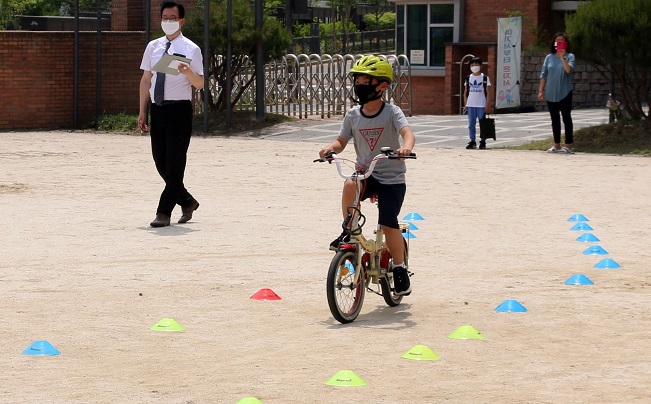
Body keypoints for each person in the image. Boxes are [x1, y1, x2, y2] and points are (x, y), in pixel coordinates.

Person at [318, 56, 416, 296]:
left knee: (388, 221)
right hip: (367, 174)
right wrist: (330, 149)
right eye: (357, 81)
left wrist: (406, 148)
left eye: (365, 81)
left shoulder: (392, 112)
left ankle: (400, 268)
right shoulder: (353, 115)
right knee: (350, 183)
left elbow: (407, 133)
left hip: (391, 178)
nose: (359, 86)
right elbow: (341, 141)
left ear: (381, 86)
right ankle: (349, 229)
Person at [138, 1, 204, 227]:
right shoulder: (153, 47)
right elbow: (147, 79)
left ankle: (163, 212)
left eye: (173, 18)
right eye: (165, 17)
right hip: (158, 109)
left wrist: (188, 71)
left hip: (179, 110)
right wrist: (142, 110)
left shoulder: (191, 49)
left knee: (175, 163)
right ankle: (187, 201)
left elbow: (200, 83)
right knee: (161, 162)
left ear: (181, 21)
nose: (168, 21)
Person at [538, 33, 575, 153]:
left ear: (566, 43)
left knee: (566, 118)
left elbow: (568, 70)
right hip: (550, 92)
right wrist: (540, 91)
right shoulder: (549, 57)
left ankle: (568, 144)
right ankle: (556, 144)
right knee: (554, 119)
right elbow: (544, 75)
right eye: (557, 40)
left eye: (562, 40)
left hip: (565, 92)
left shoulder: (570, 56)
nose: (559, 42)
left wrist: (563, 57)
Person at [463, 56, 491, 149]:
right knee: (471, 124)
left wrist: (487, 105)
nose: (474, 67)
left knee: (482, 124)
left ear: (480, 66)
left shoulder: (485, 78)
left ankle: (483, 141)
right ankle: (472, 141)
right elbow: (466, 91)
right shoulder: (468, 78)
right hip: (471, 104)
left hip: (481, 104)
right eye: (472, 65)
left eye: (476, 65)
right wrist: (465, 104)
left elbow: (488, 92)